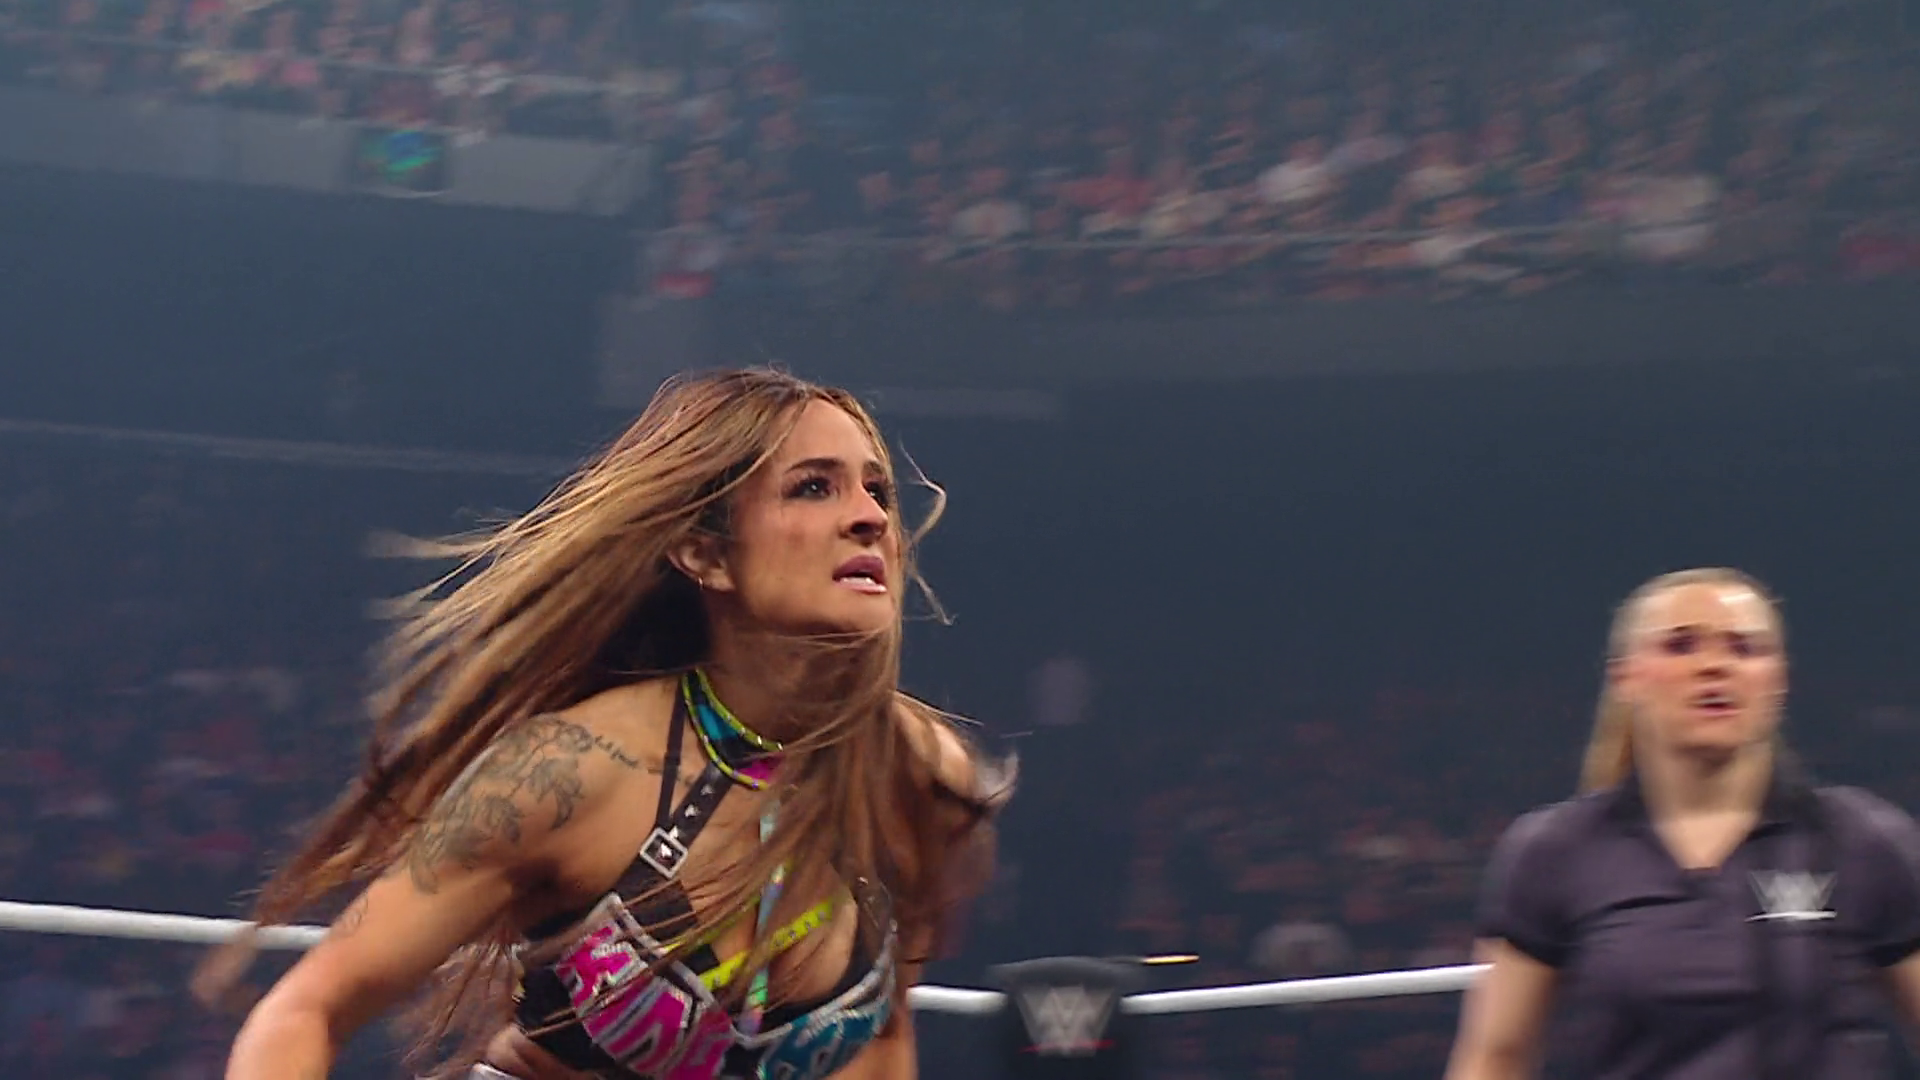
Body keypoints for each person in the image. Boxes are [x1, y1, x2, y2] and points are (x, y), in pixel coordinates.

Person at [206, 369, 1014, 1080]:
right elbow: (306, 1010)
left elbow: (883, 1037)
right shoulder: (571, 770)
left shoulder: (921, 777)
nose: (870, 518)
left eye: (878, 491)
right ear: (705, 555)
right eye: (813, 487)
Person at [1444, 568, 1920, 1080]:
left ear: (1778, 679)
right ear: (1626, 677)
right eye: (1681, 645)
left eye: (1743, 648)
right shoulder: (1556, 851)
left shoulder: (1861, 840)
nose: (1714, 665)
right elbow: (1495, 1058)